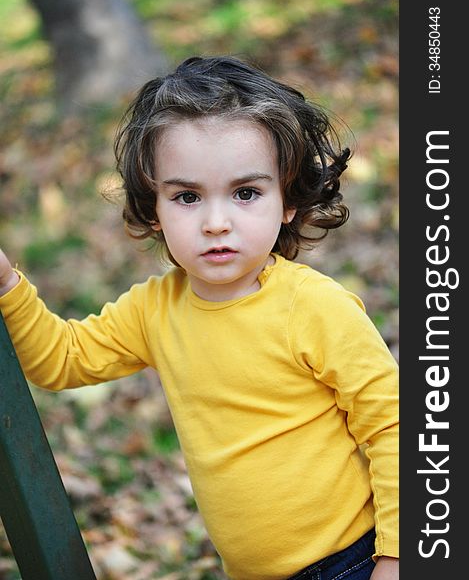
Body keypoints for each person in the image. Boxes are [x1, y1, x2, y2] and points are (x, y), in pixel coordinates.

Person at [0, 55, 398, 580]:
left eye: (246, 193)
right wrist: (8, 285)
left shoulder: (315, 308)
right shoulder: (155, 309)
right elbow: (62, 361)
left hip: (351, 561)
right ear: (154, 210)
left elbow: (394, 427)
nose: (215, 223)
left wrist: (394, 558)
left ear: (287, 201)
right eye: (187, 197)